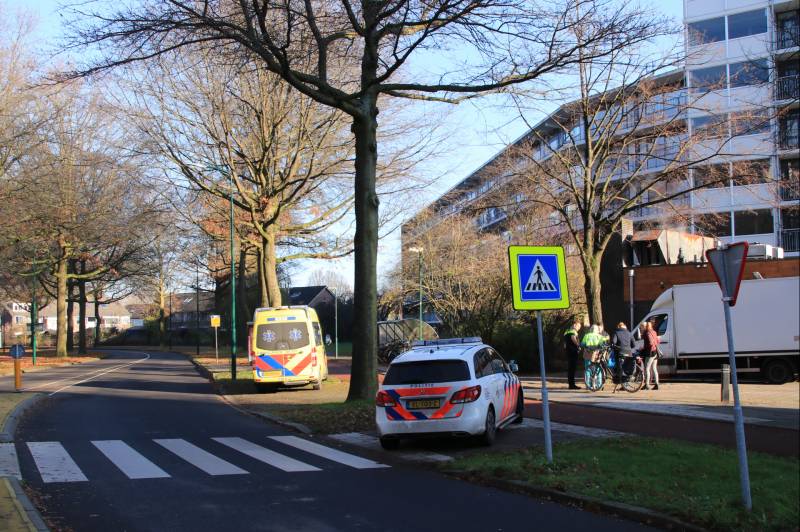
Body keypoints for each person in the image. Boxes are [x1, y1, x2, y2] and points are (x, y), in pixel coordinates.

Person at [642, 321, 660, 390]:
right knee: (654, 368)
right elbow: (658, 341)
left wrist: (644, 347)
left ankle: (646, 385)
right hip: (655, 352)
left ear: (646, 326)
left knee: (647, 368)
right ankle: (656, 384)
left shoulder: (647, 333)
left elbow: (650, 342)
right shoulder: (654, 332)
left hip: (650, 353)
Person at [563, 321, 581, 389]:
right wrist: (578, 345)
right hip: (573, 351)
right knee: (572, 368)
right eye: (578, 326)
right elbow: (573, 338)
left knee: (570, 368)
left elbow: (564, 343)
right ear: (574, 325)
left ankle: (571, 384)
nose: (579, 328)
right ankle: (572, 385)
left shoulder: (566, 331)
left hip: (568, 351)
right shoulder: (573, 331)